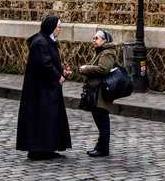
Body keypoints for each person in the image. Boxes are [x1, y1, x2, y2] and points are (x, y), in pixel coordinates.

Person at [16, 14, 72, 161]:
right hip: (40, 90)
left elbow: (52, 62)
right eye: (58, 27)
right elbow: (44, 64)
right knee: (41, 118)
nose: (59, 30)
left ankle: (47, 148)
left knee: (49, 118)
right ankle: (37, 150)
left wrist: (62, 72)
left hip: (48, 88)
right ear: (52, 28)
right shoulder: (40, 42)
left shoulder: (47, 41)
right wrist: (57, 77)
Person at [79, 29, 119, 158]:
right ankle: (101, 146)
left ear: (104, 41)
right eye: (94, 38)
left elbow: (103, 69)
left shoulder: (106, 53)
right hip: (98, 92)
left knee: (102, 120)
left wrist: (86, 69)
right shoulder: (101, 52)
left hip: (101, 93)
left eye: (96, 38)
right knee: (100, 120)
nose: (94, 40)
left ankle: (103, 148)